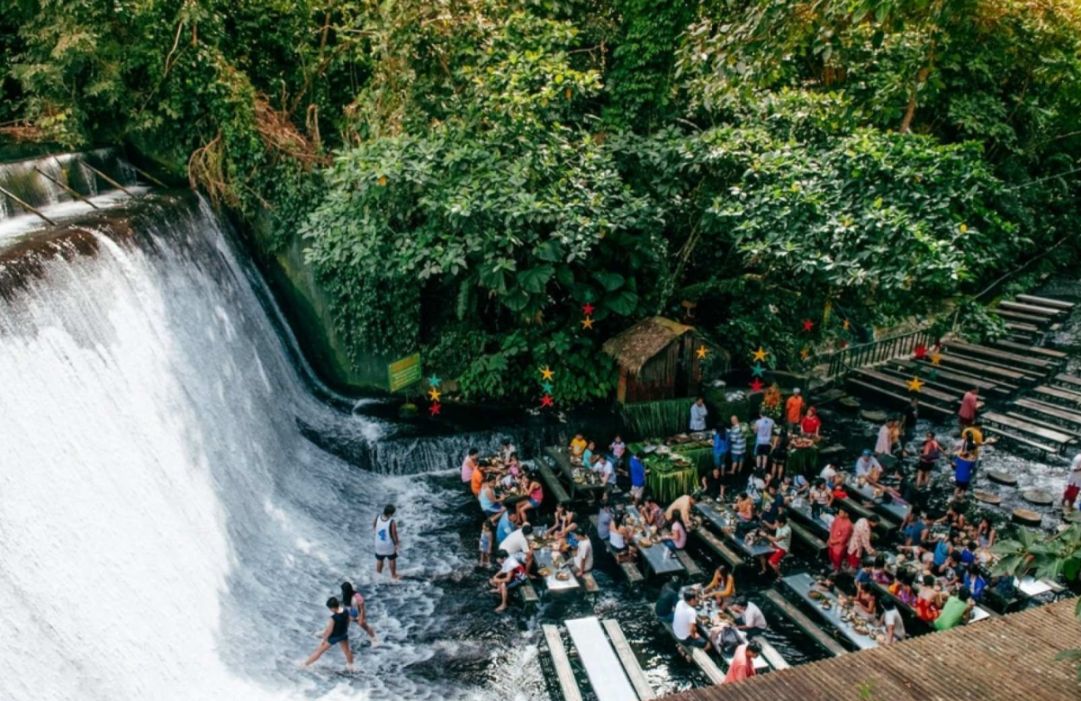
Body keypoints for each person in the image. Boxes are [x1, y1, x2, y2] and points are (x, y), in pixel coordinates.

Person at [303, 597, 354, 670]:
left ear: (333, 608)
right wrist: (345, 629)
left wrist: (323, 640)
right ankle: (351, 666)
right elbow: (349, 620)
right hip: (343, 634)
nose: (330, 610)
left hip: (334, 637)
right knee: (347, 651)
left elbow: (329, 631)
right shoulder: (345, 611)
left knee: (319, 651)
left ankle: (305, 665)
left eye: (330, 608)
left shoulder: (333, 618)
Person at [341, 582, 379, 646]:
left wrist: (362, 617)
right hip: (350, 611)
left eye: (343, 590)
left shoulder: (357, 596)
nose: (342, 591)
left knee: (363, 625)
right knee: (339, 621)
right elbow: (346, 605)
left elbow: (362, 608)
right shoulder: (345, 594)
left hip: (358, 613)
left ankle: (374, 639)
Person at [373, 504, 400, 580]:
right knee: (392, 559)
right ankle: (393, 575)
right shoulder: (392, 522)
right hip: (388, 544)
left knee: (379, 559)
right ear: (390, 513)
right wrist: (397, 543)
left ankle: (378, 574)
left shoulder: (377, 517)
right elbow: (394, 534)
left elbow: (374, 526)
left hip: (379, 543)